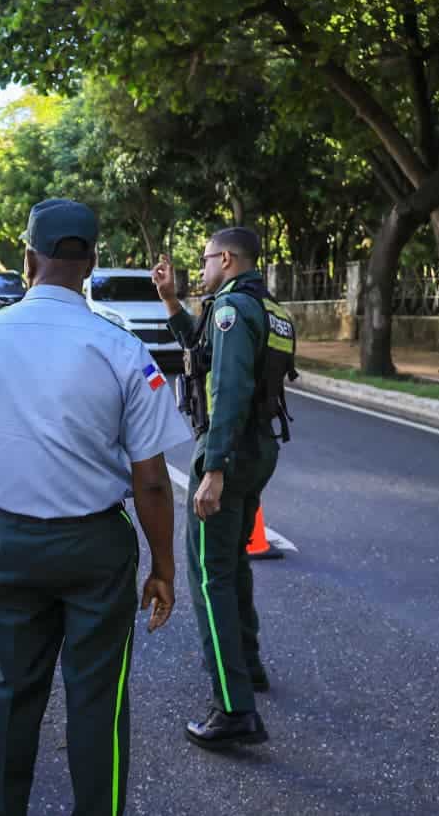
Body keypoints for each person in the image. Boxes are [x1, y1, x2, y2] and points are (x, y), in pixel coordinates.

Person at [0, 199, 190, 816]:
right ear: (93, 264)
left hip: (13, 543)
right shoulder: (120, 347)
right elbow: (152, 480)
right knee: (97, 704)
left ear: (28, 259)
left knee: (9, 696)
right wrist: (164, 565)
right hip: (96, 549)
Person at [151, 227, 297, 750]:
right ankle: (249, 666)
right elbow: (202, 348)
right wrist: (170, 303)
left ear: (228, 259)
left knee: (210, 577)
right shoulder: (267, 306)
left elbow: (230, 387)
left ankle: (233, 708)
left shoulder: (233, 308)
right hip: (259, 449)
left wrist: (212, 468)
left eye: (206, 258)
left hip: (228, 452)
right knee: (232, 564)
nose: (202, 267)